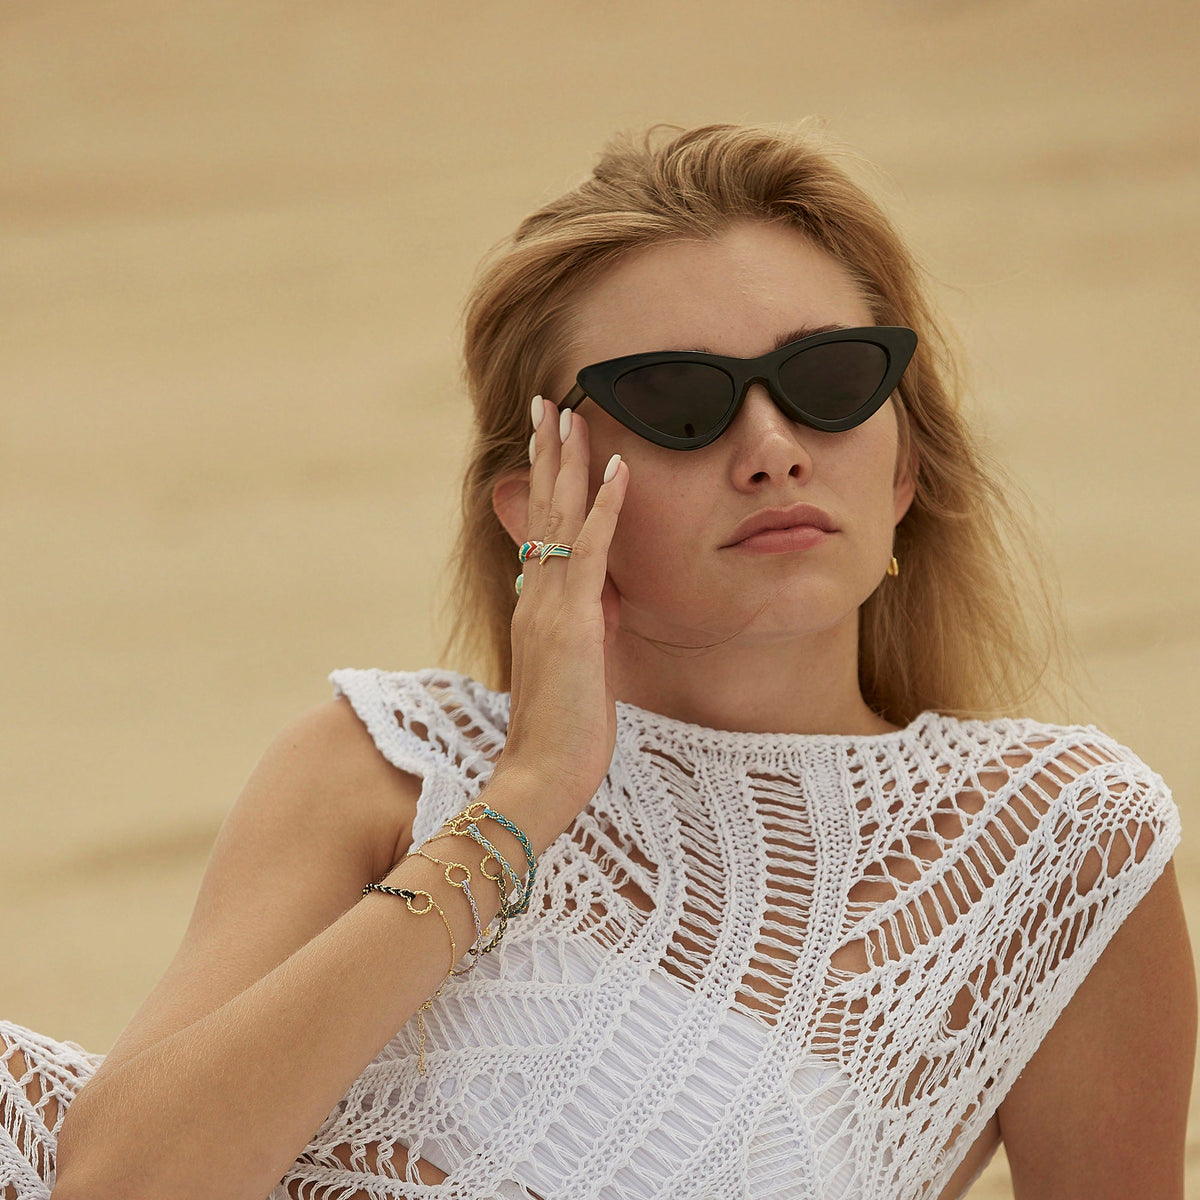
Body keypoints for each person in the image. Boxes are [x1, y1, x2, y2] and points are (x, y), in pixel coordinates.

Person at [1, 121, 1193, 1200]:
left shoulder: (1058, 842)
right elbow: (120, 1183)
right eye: (681, 402)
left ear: (904, 468)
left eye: (833, 381)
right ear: (541, 503)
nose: (774, 448)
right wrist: (526, 798)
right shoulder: (385, 768)